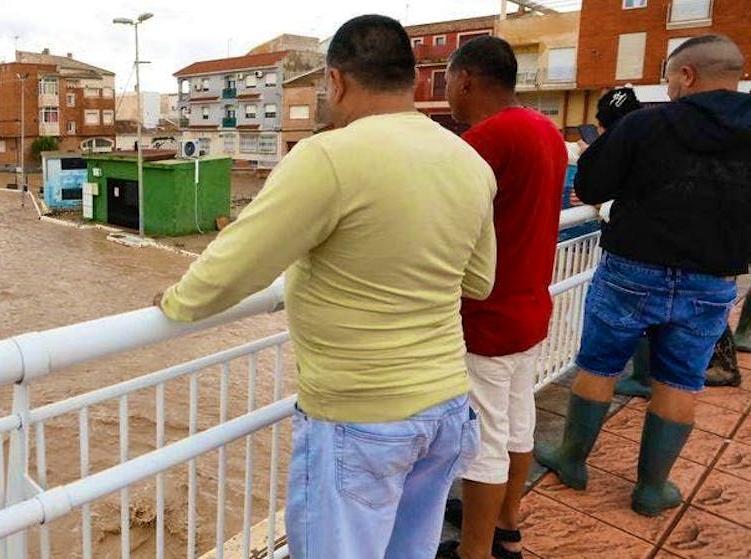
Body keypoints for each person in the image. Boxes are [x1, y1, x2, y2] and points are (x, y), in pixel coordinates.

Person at [154, 15, 497, 559]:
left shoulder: (328, 157)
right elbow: (479, 281)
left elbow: (235, 266)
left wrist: (175, 302)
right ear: (410, 79)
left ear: (336, 81)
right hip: (446, 407)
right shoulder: (469, 161)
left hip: (361, 418)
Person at [535, 34, 751, 517]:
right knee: (679, 381)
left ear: (687, 75)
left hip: (632, 269)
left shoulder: (645, 124)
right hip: (712, 278)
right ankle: (651, 489)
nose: (669, 88)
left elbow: (591, 184)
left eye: (670, 78)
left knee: (599, 367)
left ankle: (572, 460)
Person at [436, 37, 566, 559]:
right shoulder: (545, 129)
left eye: (447, 79)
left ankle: (474, 552)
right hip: (530, 306)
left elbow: (442, 223)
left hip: (488, 315)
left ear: (465, 79)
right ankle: (507, 525)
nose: (446, 90)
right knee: (517, 422)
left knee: (483, 440)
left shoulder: (485, 140)